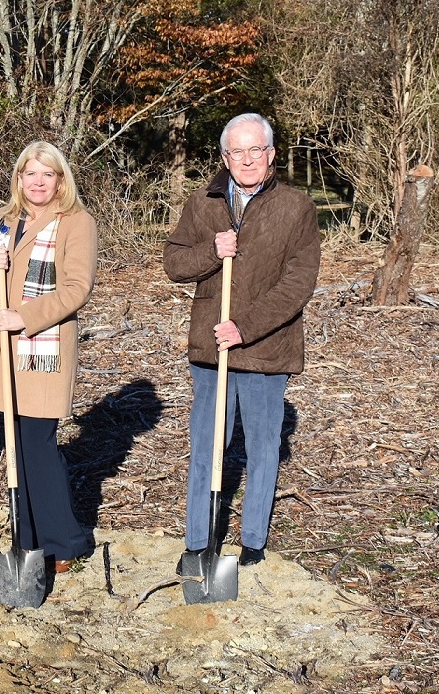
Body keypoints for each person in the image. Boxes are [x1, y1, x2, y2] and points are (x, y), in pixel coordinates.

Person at [163, 113, 320, 567]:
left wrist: (245, 326)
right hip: (211, 349)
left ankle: (252, 541)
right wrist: (212, 252)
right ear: (224, 156)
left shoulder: (297, 208)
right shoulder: (204, 202)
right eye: (237, 151)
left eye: (256, 150)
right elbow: (174, 264)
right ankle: (198, 542)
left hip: (266, 348)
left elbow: (298, 283)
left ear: (271, 155)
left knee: (262, 445)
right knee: (207, 444)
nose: (247, 159)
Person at [0, 141, 96, 574]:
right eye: (30, 174)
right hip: (3, 349)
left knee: (37, 445)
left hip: (43, 347)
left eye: (47, 175)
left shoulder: (76, 222)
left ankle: (64, 540)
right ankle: (29, 536)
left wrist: (23, 317)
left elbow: (76, 288)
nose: (38, 183)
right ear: (19, 177)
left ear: (61, 180)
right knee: (16, 445)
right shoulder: (5, 219)